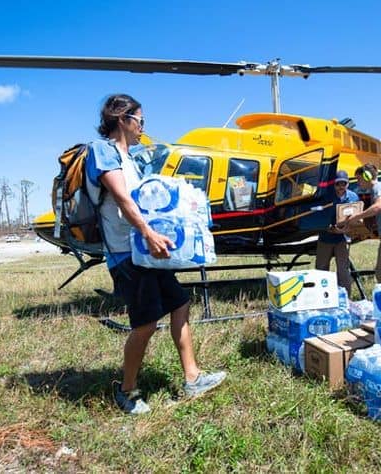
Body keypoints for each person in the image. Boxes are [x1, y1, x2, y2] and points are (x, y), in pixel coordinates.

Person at [85, 94, 226, 414]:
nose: (143, 127)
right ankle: (127, 390)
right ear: (122, 118)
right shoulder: (103, 150)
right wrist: (148, 233)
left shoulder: (130, 158)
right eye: (140, 120)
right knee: (146, 324)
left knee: (180, 303)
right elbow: (122, 199)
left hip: (147, 252)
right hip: (127, 254)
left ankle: (192, 378)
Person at [315, 170, 360, 295]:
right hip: (325, 237)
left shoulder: (353, 197)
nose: (340, 186)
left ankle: (346, 298)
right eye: (337, 184)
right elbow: (318, 214)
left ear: (348, 184)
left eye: (343, 183)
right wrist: (328, 227)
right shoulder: (326, 196)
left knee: (343, 270)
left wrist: (347, 229)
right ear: (333, 184)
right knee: (321, 269)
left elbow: (357, 217)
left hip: (343, 239)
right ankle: (321, 296)